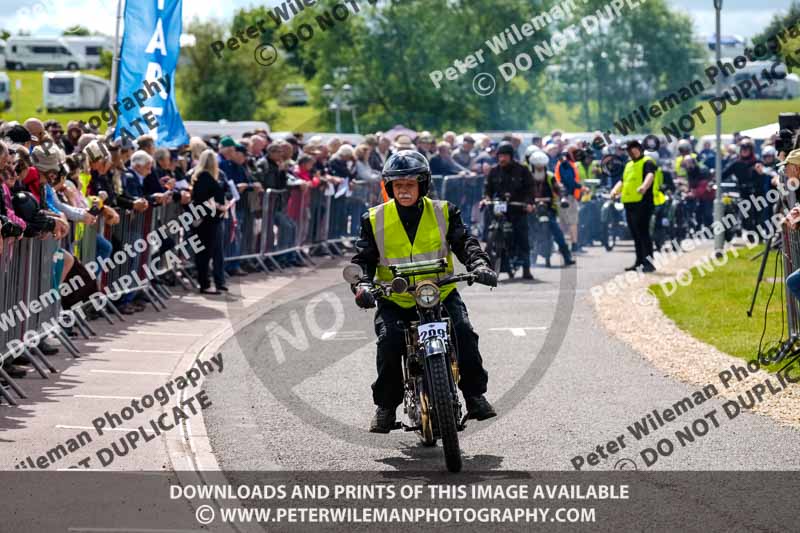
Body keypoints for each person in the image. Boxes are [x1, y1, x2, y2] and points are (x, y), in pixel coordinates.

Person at [350, 150, 498, 433]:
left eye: (410, 184)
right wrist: (362, 284)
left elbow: (465, 242)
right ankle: (385, 407)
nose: (404, 190)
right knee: (390, 341)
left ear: (423, 184)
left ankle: (475, 396)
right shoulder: (373, 218)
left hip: (439, 292)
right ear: (389, 187)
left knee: (464, 332)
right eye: (398, 185)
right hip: (396, 298)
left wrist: (479, 263)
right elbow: (363, 259)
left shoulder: (445, 211)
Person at [484, 141, 535, 279]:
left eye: (505, 155)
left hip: (518, 209)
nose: (502, 158)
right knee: (491, 229)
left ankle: (526, 268)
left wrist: (529, 203)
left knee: (522, 236)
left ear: (511, 156)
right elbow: (488, 190)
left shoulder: (522, 170)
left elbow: (530, 188)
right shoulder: (494, 171)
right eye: (500, 155)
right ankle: (490, 263)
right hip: (500, 209)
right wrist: (486, 199)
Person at [611, 140, 657, 272]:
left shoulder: (647, 161)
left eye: (630, 149)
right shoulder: (629, 164)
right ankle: (639, 262)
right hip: (629, 202)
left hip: (643, 203)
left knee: (643, 233)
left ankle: (649, 263)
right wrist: (615, 191)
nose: (628, 152)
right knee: (635, 234)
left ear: (637, 149)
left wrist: (644, 186)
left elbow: (650, 175)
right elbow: (623, 181)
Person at [191, 149, 228, 294]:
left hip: (209, 220)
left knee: (207, 253)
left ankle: (206, 282)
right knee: (204, 254)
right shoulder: (205, 177)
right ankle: (204, 284)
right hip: (206, 221)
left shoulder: (202, 176)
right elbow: (202, 200)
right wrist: (218, 206)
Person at [528, 151, 575, 267]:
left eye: (541, 166)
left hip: (549, 209)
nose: (539, 168)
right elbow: (522, 191)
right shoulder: (527, 177)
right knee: (527, 230)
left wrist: (563, 198)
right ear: (533, 165)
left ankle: (566, 256)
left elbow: (559, 189)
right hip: (532, 208)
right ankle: (524, 257)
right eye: (537, 166)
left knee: (557, 231)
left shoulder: (550, 176)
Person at [554, 146, 583, 253]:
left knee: (564, 222)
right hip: (567, 196)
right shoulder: (565, 163)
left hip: (563, 196)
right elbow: (568, 181)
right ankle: (573, 245)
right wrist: (580, 187)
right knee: (572, 222)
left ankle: (563, 246)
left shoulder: (566, 162)